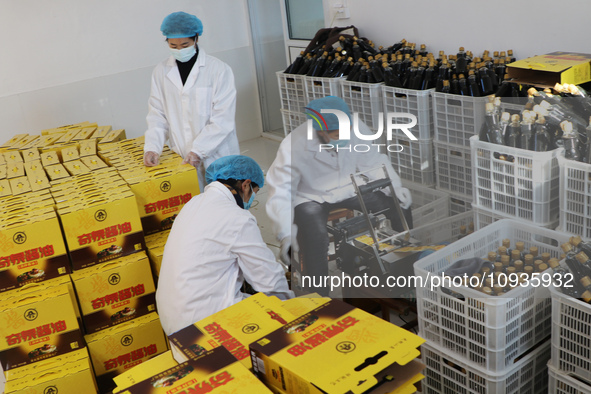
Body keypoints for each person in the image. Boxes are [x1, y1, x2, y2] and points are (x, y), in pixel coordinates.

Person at [266, 96, 413, 295]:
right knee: (316, 239)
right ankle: (318, 298)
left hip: (349, 187)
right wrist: (284, 234)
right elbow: (280, 189)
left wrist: (395, 190)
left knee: (398, 207)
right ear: (321, 132)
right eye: (336, 134)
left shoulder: (357, 128)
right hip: (310, 196)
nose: (344, 137)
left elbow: (374, 163)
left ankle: (405, 274)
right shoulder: (294, 145)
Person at [156, 155, 294, 335]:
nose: (251, 200)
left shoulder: (192, 203)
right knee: (278, 326)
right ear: (245, 185)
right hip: (203, 324)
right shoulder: (237, 218)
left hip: (172, 316)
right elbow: (268, 280)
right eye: (254, 192)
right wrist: (291, 308)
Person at [143, 11, 240, 190]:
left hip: (217, 153)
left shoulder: (218, 69)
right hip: (182, 154)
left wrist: (199, 150)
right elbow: (157, 114)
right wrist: (152, 147)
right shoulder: (161, 71)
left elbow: (222, 119)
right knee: (195, 205)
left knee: (226, 203)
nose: (179, 49)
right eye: (173, 45)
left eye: (184, 44)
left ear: (196, 39)